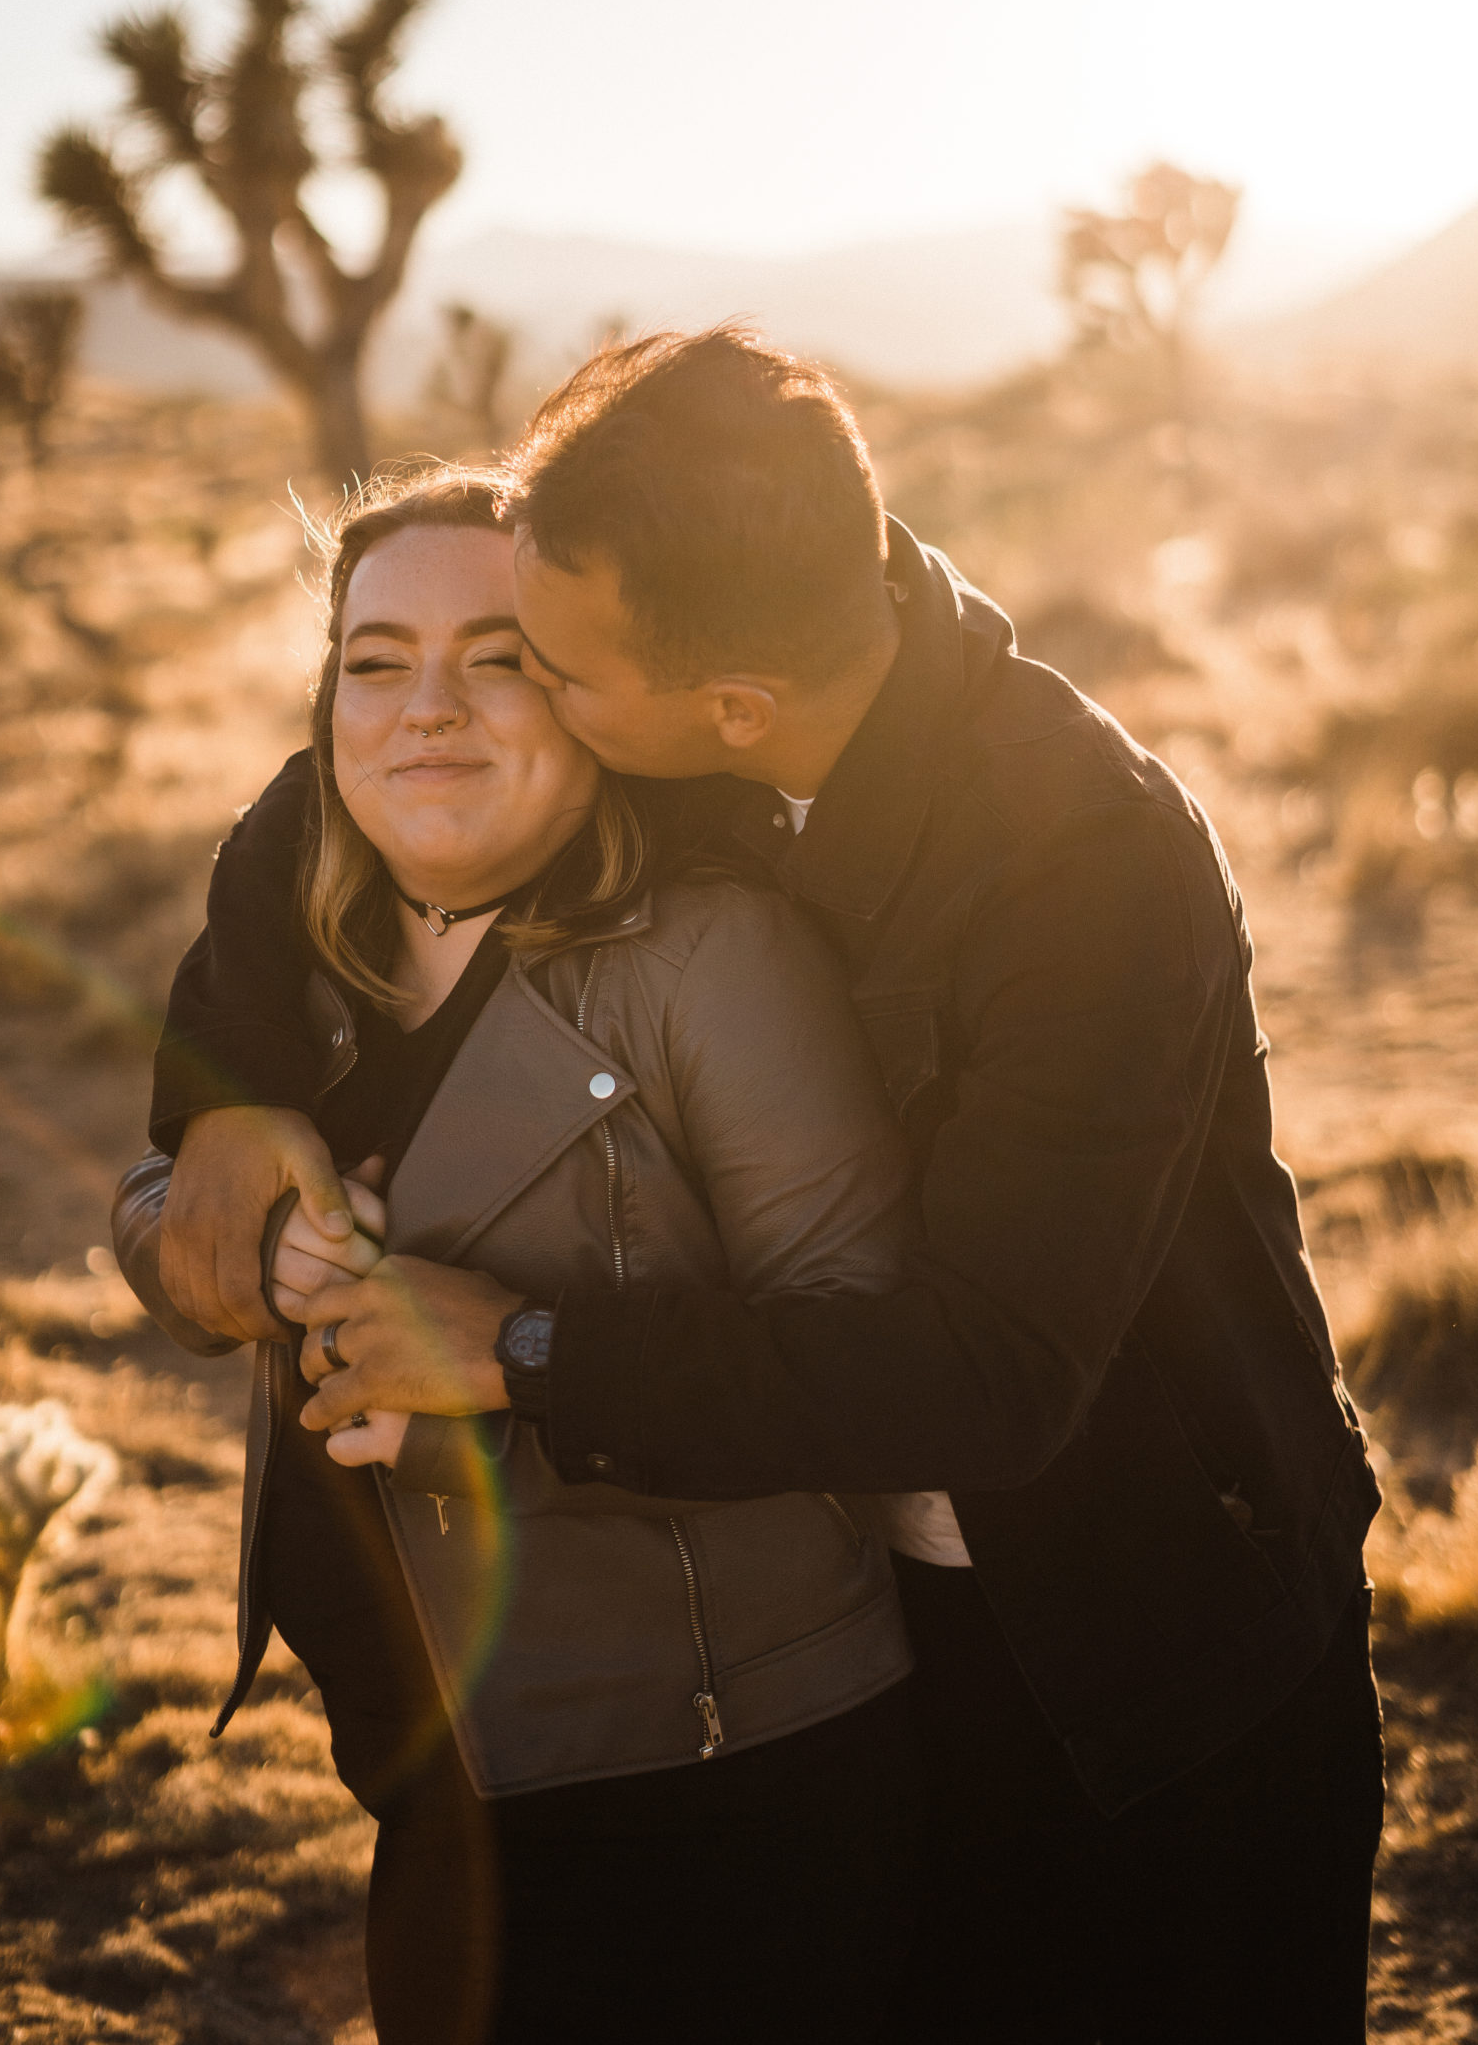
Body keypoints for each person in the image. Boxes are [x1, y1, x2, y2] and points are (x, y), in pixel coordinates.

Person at [155, 329, 1387, 2044]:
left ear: (719, 712)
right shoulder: (724, 640)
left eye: (543, 672)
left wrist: (523, 1356)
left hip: (1141, 1658)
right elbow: (340, 774)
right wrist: (225, 1085)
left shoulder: (1084, 868)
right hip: (869, 1656)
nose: (487, 707)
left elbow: (986, 1378)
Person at [115, 465, 930, 2045]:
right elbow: (161, 1200)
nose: (429, 708)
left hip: (721, 1787)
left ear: (590, 702)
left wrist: (520, 1368)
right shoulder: (303, 955)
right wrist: (233, 1251)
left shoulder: (712, 957)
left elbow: (870, 1370)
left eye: (498, 658)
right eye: (375, 660)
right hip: (427, 1760)